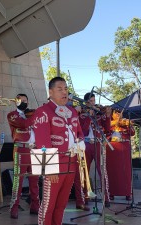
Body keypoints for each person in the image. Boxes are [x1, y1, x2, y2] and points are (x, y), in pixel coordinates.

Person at [32, 77, 85, 225]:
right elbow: (42, 142)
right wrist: (49, 168)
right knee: (48, 204)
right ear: (50, 92)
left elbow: (79, 133)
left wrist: (80, 143)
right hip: (53, 163)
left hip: (71, 161)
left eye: (66, 89)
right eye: (59, 89)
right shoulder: (42, 111)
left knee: (62, 204)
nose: (64, 92)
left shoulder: (73, 111)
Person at [7, 94, 39, 219]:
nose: (24, 103)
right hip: (21, 149)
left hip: (34, 149)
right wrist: (36, 116)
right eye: (21, 101)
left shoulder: (31, 114)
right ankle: (14, 208)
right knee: (18, 181)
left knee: (35, 181)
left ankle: (35, 206)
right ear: (16, 102)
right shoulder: (12, 115)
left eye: (26, 101)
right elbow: (23, 124)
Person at [78, 93, 111, 204]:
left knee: (102, 171)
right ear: (86, 102)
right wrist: (89, 116)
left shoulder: (99, 115)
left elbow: (107, 129)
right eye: (91, 101)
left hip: (98, 144)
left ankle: (106, 197)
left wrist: (107, 115)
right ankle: (85, 198)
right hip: (85, 145)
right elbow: (84, 131)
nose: (93, 103)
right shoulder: (82, 115)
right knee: (84, 171)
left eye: (94, 100)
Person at [106, 108, 135, 201]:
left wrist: (128, 125)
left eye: (119, 113)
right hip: (112, 147)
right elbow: (106, 128)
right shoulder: (108, 122)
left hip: (124, 146)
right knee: (111, 170)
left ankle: (127, 193)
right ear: (112, 114)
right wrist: (116, 122)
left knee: (126, 170)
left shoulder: (125, 122)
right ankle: (111, 193)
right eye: (116, 113)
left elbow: (133, 132)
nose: (118, 114)